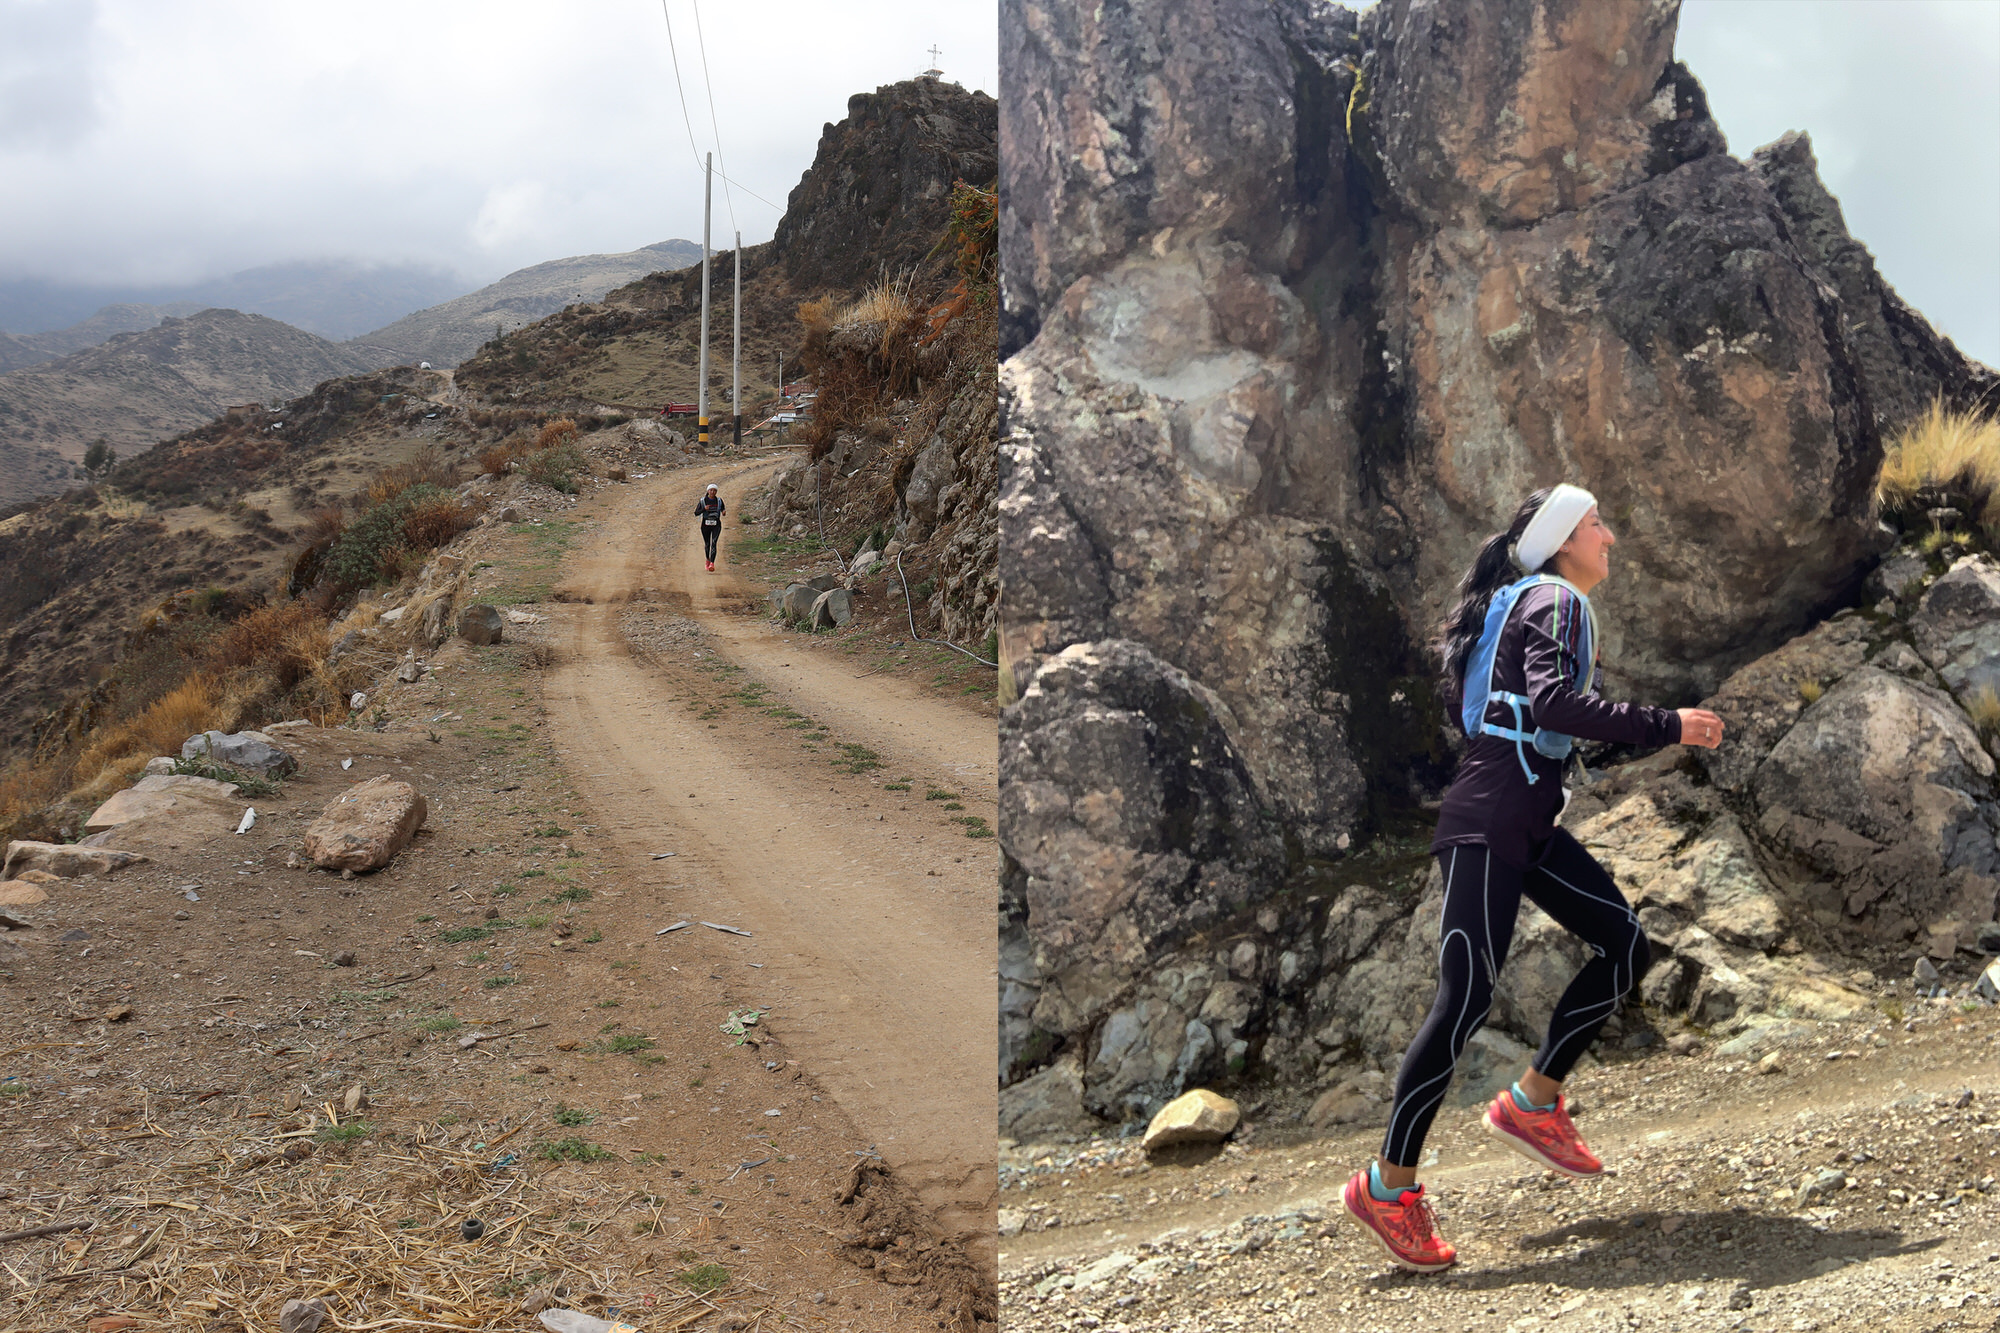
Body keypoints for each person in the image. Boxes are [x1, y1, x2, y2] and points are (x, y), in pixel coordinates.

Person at [1341, 483, 1726, 1273]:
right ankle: (1387, 1184)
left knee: (1624, 944)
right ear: (1562, 541)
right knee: (1467, 998)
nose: (1610, 537)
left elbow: (1510, 712)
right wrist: (1669, 724)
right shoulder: (1553, 597)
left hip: (1523, 823)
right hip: (1489, 823)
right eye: (1597, 524)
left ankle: (1533, 1100)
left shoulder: (1520, 603)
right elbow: (1553, 700)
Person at [695, 484, 725, 571]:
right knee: (707, 544)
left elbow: (723, 508)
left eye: (714, 490)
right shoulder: (703, 501)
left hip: (716, 525)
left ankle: (712, 563)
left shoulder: (719, 501)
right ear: (708, 491)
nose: (712, 492)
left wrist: (723, 511)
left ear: (716, 492)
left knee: (714, 543)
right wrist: (704, 509)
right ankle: (707, 560)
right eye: (711, 490)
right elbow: (696, 513)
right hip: (705, 525)